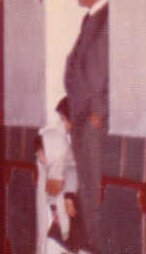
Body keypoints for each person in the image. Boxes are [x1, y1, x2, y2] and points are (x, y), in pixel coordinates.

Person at [63, 0, 109, 254]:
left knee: (93, 193)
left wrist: (98, 113)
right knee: (87, 193)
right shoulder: (93, 17)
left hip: (92, 121)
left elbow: (111, 66)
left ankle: (97, 249)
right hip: (81, 117)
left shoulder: (107, 18)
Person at [36, 97, 83, 254]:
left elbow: (72, 170)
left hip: (75, 201)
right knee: (57, 241)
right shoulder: (64, 142)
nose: (62, 124)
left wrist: (68, 198)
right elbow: (53, 179)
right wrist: (55, 208)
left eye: (64, 119)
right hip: (65, 201)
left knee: (67, 241)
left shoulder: (79, 143)